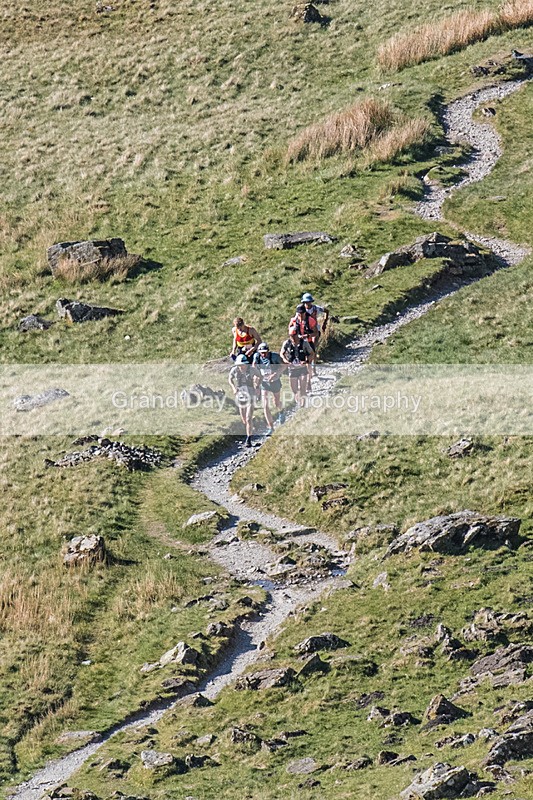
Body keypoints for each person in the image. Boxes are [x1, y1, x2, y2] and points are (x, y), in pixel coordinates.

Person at [252, 342, 285, 435]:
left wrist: (276, 373)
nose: (264, 354)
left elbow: (284, 365)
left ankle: (282, 411)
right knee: (265, 405)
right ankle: (271, 427)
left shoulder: (275, 357)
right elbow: (254, 367)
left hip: (275, 382)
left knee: (276, 402)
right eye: (262, 352)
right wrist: (256, 381)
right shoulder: (257, 357)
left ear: (268, 351)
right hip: (264, 383)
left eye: (265, 352)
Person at [228, 354, 260, 447]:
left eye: (243, 364)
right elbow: (230, 379)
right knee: (244, 419)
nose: (241, 366)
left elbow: (259, 376)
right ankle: (251, 427)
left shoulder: (252, 369)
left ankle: (248, 439)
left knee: (248, 418)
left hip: (250, 394)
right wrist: (233, 387)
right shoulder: (234, 370)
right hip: (240, 395)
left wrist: (257, 386)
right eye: (240, 365)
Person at [280, 331, 314, 404]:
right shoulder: (287, 343)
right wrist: (286, 361)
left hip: (302, 368)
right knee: (294, 389)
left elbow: (311, 353)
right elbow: (281, 354)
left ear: (297, 335)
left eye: (294, 336)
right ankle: (298, 399)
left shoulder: (304, 343)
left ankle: (303, 404)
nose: (293, 338)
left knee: (303, 388)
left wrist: (307, 361)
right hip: (292, 369)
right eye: (291, 336)